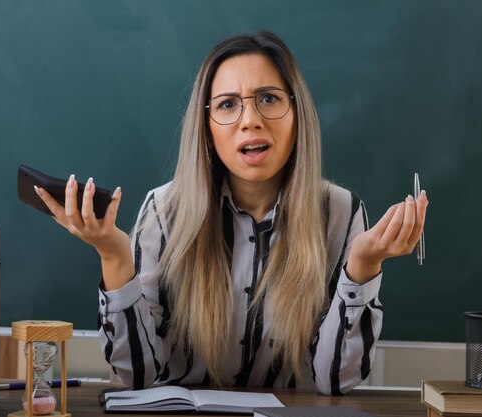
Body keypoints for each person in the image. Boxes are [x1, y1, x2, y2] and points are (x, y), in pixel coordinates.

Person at [34, 30, 428, 395]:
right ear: (207, 127)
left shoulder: (341, 213)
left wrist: (362, 267)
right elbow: (137, 377)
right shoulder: (163, 212)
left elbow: (334, 383)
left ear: (297, 114)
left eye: (269, 99)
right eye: (227, 105)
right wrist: (114, 256)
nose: (250, 120)